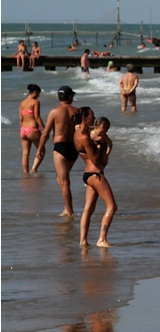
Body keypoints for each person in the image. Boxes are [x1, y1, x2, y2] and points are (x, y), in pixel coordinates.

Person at [74, 107, 117, 247]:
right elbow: (95, 160)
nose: (94, 117)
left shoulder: (78, 132)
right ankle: (102, 239)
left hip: (88, 175)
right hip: (95, 174)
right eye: (92, 115)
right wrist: (100, 148)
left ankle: (83, 241)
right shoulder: (85, 137)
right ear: (85, 118)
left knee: (88, 209)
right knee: (112, 206)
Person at [37, 86, 80, 217]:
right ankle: (67, 207)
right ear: (69, 97)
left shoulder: (54, 112)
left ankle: (69, 211)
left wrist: (40, 148)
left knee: (64, 181)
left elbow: (45, 133)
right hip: (74, 147)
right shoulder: (76, 111)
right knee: (60, 178)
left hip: (60, 147)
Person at [18, 84, 45, 174]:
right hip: (32, 129)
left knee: (25, 154)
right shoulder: (35, 102)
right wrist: (43, 128)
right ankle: (34, 169)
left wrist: (22, 129)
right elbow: (37, 117)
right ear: (35, 92)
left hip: (23, 130)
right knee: (41, 151)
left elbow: (21, 119)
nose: (38, 96)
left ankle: (26, 174)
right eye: (38, 94)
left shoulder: (22, 103)